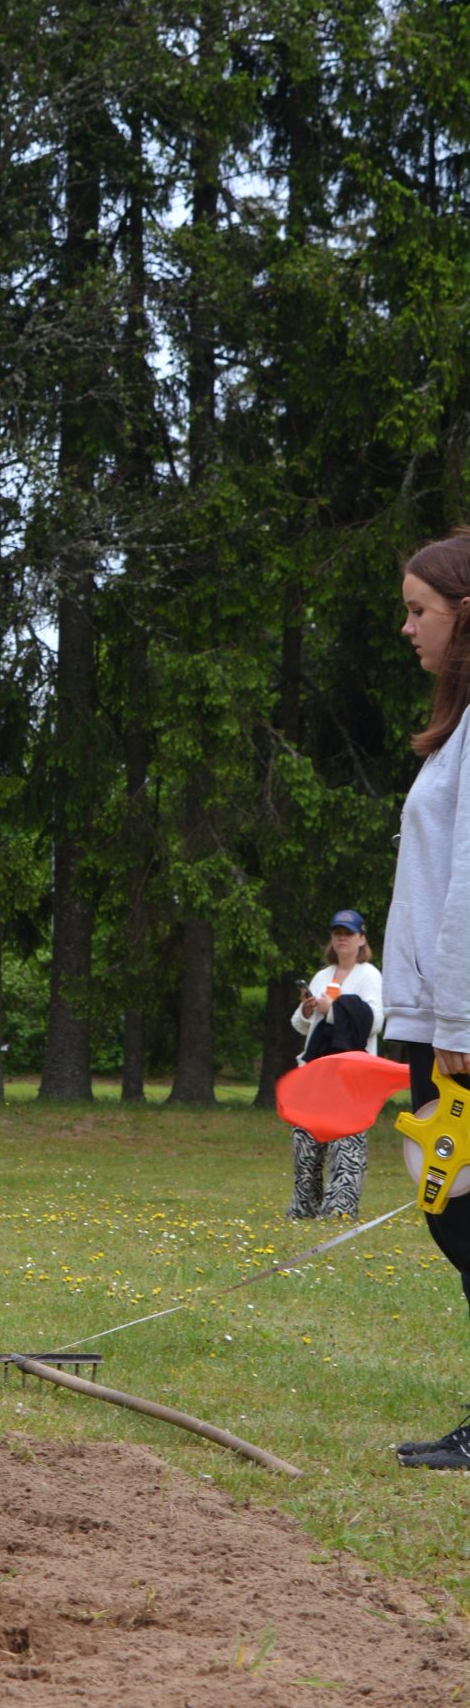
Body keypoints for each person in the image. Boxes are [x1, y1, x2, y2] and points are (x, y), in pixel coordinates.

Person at [386, 530, 470, 1469]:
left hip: (458, 1029)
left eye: (420, 611)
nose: (408, 628)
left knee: (461, 1216)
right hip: (438, 1019)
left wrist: (456, 1022)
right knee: (455, 1215)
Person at [286, 909, 384, 1222]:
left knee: (346, 1140)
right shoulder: (322, 976)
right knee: (306, 1138)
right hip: (317, 1070)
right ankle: (305, 1206)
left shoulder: (369, 975)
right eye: (337, 933)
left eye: (349, 933)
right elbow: (302, 1025)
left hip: (352, 1072)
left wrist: (334, 1008)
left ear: (362, 939)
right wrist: (308, 1009)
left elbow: (374, 1021)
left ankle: (340, 1208)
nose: (342, 938)